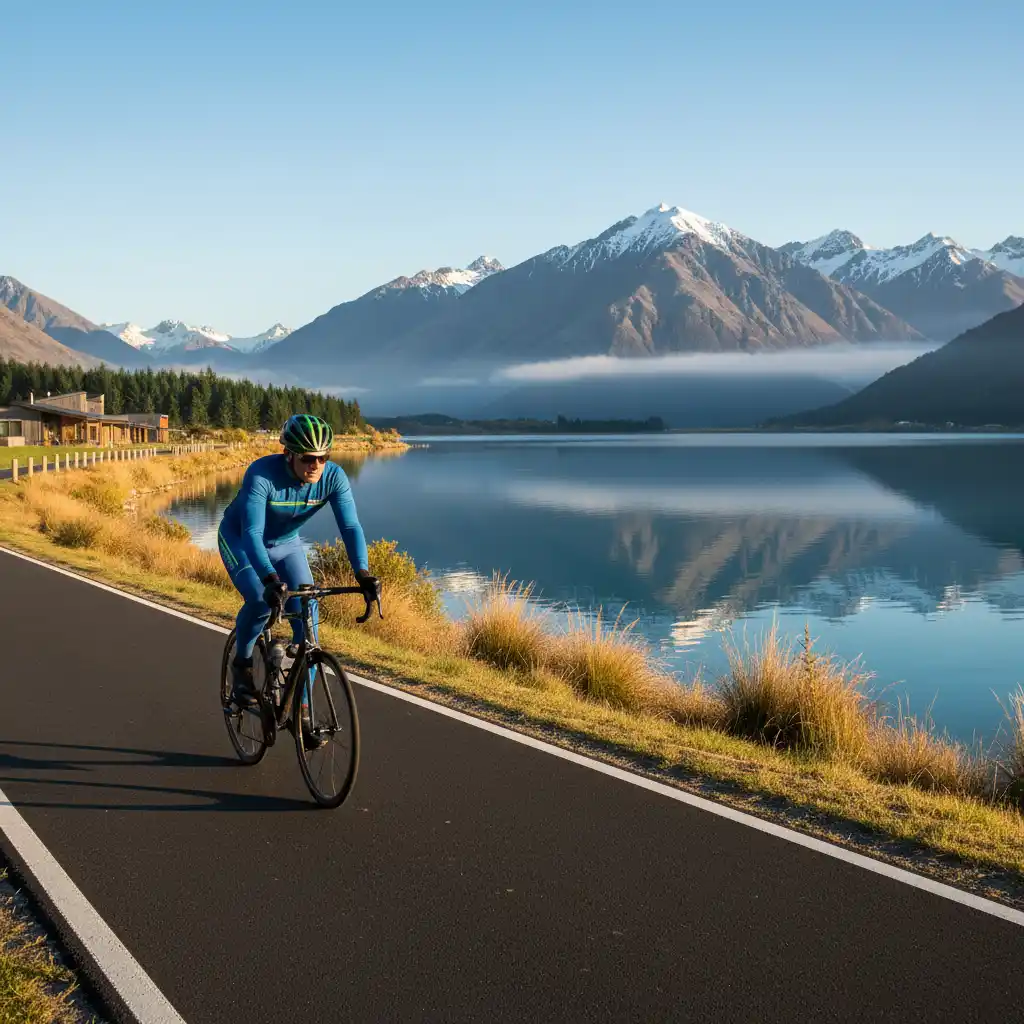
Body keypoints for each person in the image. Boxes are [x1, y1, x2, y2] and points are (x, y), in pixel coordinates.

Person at [217, 414, 378, 726]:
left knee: (310, 627)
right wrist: (270, 579)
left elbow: (350, 526)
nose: (316, 465)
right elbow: (251, 533)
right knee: (261, 601)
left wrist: (363, 573)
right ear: (289, 453)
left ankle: (302, 712)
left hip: (287, 544)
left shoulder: (333, 478)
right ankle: (242, 665)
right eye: (308, 458)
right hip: (241, 540)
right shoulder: (262, 474)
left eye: (322, 457)